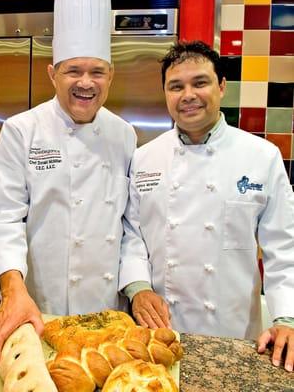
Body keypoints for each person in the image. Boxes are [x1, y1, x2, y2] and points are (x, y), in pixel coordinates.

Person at [0, 0, 136, 365]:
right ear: (52, 73)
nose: (86, 83)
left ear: (111, 75)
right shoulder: (22, 131)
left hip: (106, 320)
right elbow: (0, 219)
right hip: (35, 314)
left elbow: (130, 226)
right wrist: (13, 289)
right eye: (73, 71)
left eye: (97, 71)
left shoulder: (124, 135)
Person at [119, 41, 294, 372]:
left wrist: (287, 318)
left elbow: (284, 248)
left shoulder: (262, 156)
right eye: (176, 86)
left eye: (200, 82)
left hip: (235, 335)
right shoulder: (144, 158)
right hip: (159, 333)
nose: (188, 95)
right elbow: (131, 234)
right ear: (165, 94)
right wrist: (138, 288)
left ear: (222, 86)